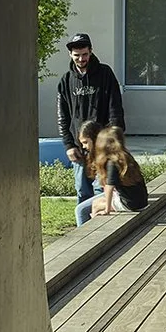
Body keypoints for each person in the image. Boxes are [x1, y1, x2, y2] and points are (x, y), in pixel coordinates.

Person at [56, 34, 126, 220]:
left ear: (91, 51)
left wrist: (113, 140)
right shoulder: (65, 81)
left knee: (101, 190)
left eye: (84, 54)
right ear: (70, 54)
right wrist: (68, 145)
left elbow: (115, 109)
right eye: (77, 55)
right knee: (82, 191)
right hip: (80, 149)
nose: (81, 59)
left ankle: (99, 234)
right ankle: (82, 236)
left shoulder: (105, 74)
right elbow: (63, 117)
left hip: (102, 147)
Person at [78, 123, 150, 225]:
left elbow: (109, 187)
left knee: (96, 205)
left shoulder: (112, 162)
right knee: (98, 203)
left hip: (130, 204)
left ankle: (93, 229)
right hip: (141, 201)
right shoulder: (125, 158)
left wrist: (107, 210)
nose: (83, 147)